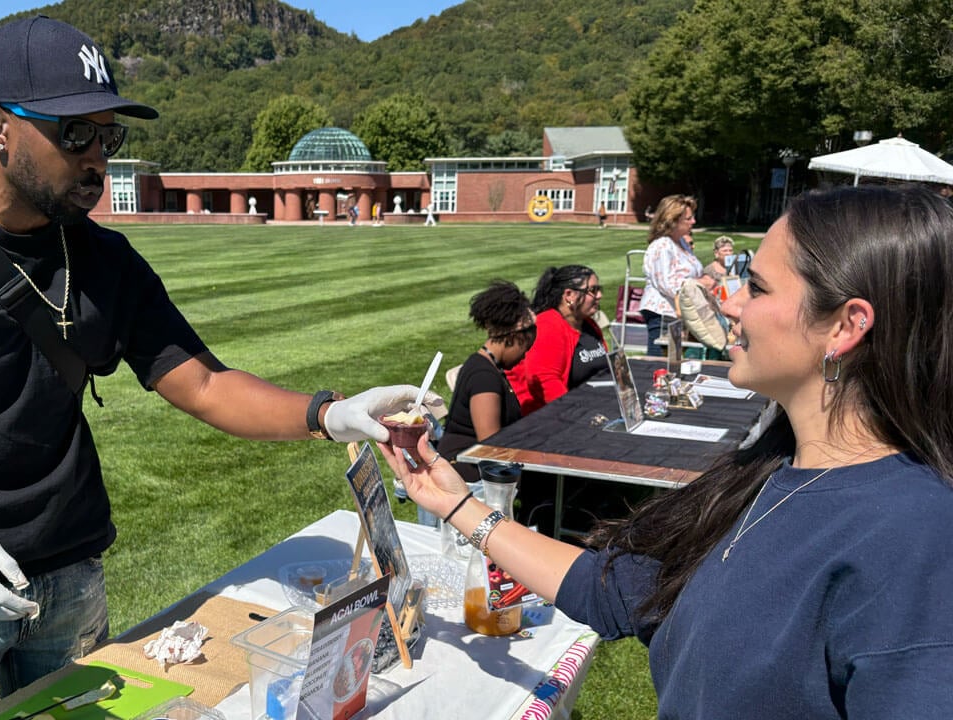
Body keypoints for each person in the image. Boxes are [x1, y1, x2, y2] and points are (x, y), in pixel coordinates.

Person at [0, 16, 435, 720]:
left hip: (71, 573)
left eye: (109, 134)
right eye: (74, 134)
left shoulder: (104, 260)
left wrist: (327, 413)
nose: (97, 156)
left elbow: (204, 383)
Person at [380, 184, 953, 718]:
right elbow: (614, 591)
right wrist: (458, 506)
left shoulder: (916, 541)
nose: (730, 306)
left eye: (756, 288)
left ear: (846, 327)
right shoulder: (767, 471)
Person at [433, 281, 536, 498]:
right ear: (513, 337)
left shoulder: (488, 367)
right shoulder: (484, 378)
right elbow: (491, 447)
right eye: (525, 347)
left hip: (472, 470)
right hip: (466, 478)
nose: (525, 355)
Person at [505, 265, 607, 416]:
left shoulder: (588, 324)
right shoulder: (548, 325)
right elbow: (545, 381)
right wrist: (578, 414)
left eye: (599, 289)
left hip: (595, 405)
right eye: (592, 290)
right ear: (569, 295)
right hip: (556, 415)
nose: (599, 295)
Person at [640, 195, 712, 356]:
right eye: (688, 218)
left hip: (678, 312)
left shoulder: (681, 243)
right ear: (673, 220)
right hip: (663, 313)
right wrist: (700, 283)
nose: (693, 221)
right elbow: (668, 284)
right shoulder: (662, 246)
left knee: (674, 363)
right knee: (660, 365)